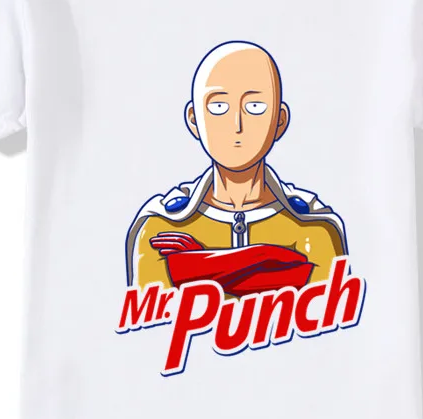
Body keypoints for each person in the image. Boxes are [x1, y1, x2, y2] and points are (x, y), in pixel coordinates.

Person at [126, 41, 348, 293]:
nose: (237, 125)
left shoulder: (314, 228)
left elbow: (329, 312)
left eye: (255, 107)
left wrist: (197, 264)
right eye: (218, 107)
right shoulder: (161, 228)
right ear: (194, 120)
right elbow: (150, 314)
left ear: (280, 120)